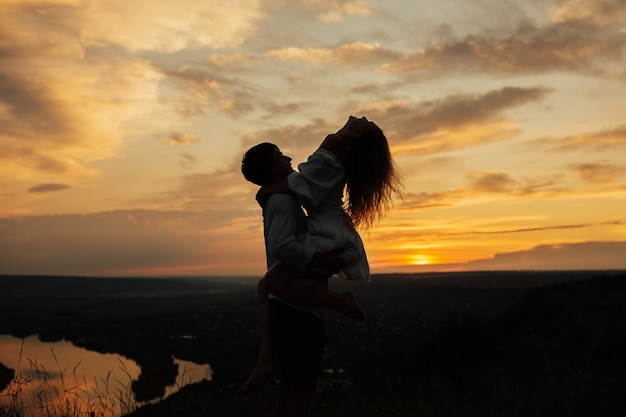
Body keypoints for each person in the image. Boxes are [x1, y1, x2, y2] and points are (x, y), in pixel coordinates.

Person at [240, 116, 402, 397]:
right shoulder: (336, 145)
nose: (361, 118)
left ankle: (342, 303)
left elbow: (304, 184)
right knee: (267, 285)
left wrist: (272, 188)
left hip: (331, 237)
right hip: (331, 234)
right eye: (280, 155)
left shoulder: (333, 147)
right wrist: (273, 189)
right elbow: (305, 181)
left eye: (363, 122)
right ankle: (265, 360)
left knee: (271, 284)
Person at [240, 142, 345, 416]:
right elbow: (282, 247)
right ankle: (343, 303)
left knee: (288, 398)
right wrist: (322, 260)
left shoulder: (277, 198)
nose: (288, 158)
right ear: (271, 168)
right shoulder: (284, 202)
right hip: (298, 311)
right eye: (280, 156)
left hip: (287, 307)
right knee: (300, 400)